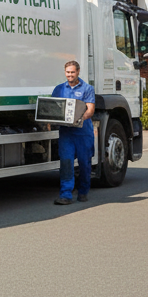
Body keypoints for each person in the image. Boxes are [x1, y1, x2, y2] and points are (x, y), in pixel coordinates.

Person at [50, 60, 96, 206]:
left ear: (78, 72)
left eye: (72, 72)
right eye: (68, 72)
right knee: (66, 163)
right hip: (66, 134)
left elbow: (90, 110)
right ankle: (66, 195)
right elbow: (53, 108)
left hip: (83, 133)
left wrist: (79, 119)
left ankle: (83, 192)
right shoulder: (59, 89)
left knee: (84, 164)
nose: (70, 75)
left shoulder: (87, 88)